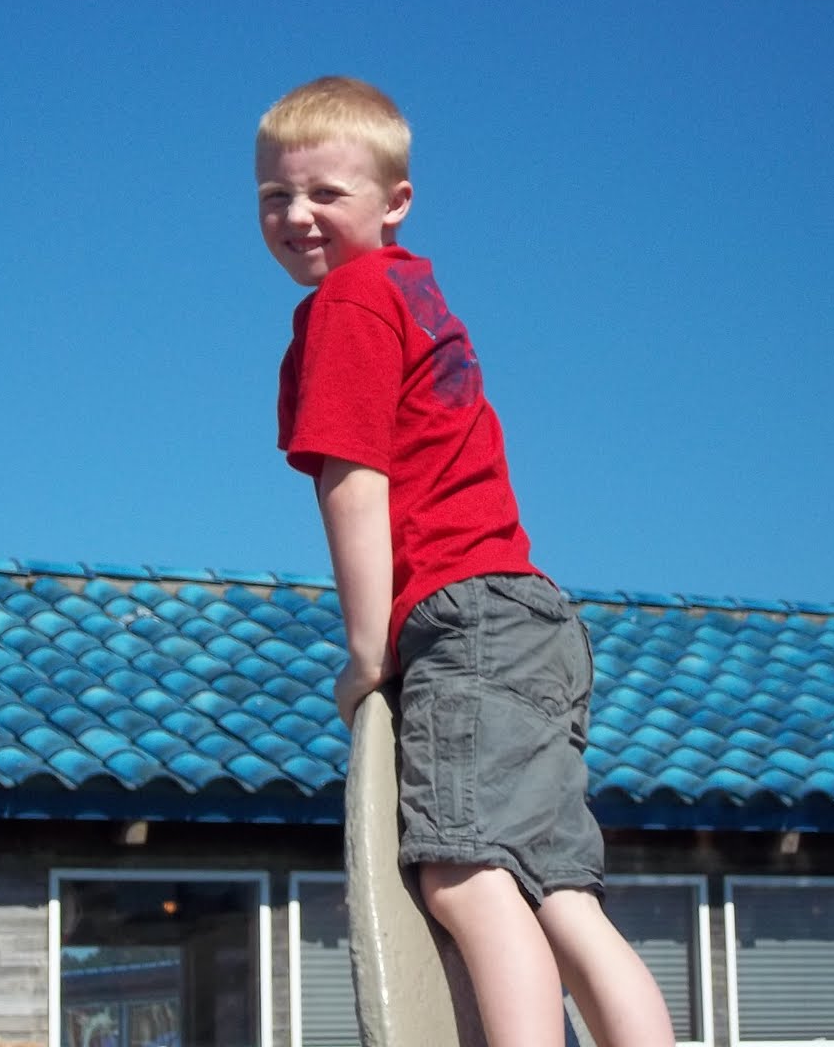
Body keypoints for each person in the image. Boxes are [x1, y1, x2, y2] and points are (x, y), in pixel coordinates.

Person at [257, 76, 675, 1047]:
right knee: (559, 891)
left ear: (394, 201)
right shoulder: (413, 292)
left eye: (326, 192)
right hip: (532, 621)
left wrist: (368, 650)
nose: (297, 214)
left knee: (463, 872)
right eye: (276, 195)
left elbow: (356, 481)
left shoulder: (351, 302)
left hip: (463, 618)